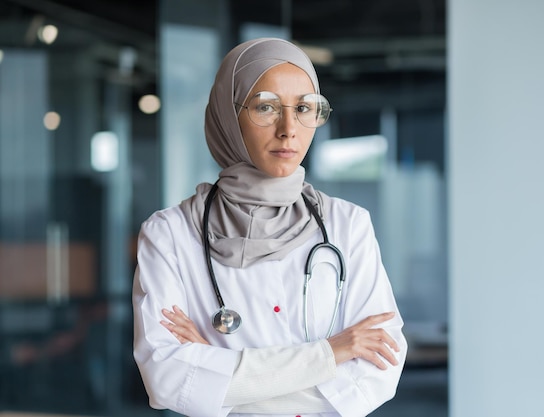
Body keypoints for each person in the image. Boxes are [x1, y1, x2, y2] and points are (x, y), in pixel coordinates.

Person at [132, 37, 407, 417]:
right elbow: (168, 380)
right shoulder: (170, 234)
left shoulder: (348, 225)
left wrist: (216, 369)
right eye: (265, 106)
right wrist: (332, 353)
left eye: (305, 108)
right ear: (229, 116)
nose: (289, 128)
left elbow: (379, 373)